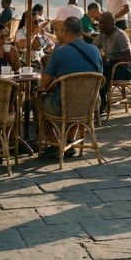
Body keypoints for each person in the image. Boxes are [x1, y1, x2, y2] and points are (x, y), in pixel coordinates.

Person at [40, 16, 103, 156]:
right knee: (75, 102)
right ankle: (69, 140)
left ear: (65, 32)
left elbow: (44, 85)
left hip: (64, 105)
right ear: (81, 32)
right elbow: (98, 76)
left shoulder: (59, 53)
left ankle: (55, 143)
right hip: (90, 104)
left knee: (38, 102)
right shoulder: (95, 50)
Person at [93, 11, 131, 112]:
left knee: (103, 73)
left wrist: (109, 59)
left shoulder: (120, 35)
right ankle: (95, 100)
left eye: (101, 23)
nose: (98, 25)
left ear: (110, 24)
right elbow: (93, 48)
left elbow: (128, 57)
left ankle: (102, 103)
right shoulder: (102, 35)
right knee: (96, 70)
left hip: (124, 69)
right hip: (110, 67)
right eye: (98, 22)